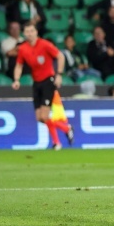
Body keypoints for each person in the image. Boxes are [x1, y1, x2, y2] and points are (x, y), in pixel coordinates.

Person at [12, 23, 73, 151]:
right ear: (24, 34)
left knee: (45, 116)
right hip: (36, 83)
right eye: (27, 31)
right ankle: (66, 129)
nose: (30, 33)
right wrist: (17, 80)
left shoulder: (44, 44)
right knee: (40, 118)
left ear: (36, 32)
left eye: (32, 31)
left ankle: (57, 143)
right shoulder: (23, 49)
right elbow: (19, 65)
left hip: (48, 81)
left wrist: (59, 74)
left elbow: (60, 56)